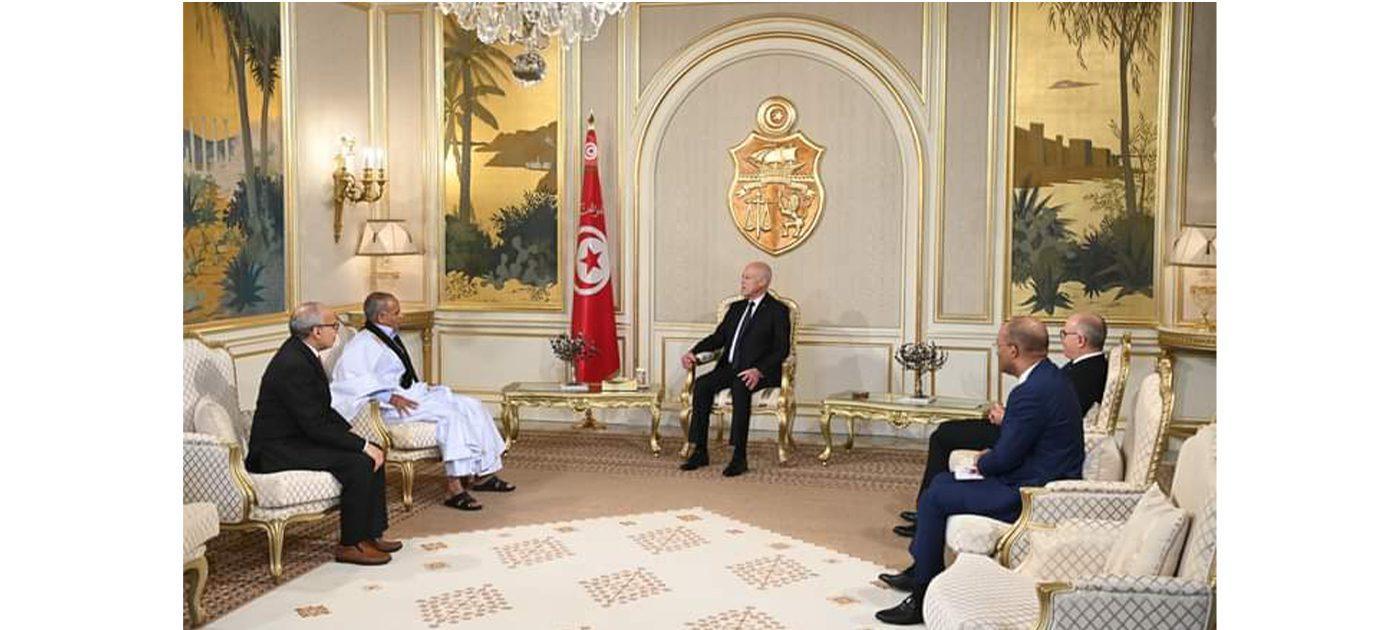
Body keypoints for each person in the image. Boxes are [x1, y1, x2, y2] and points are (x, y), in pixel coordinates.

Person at [874, 316, 1084, 625]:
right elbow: (1020, 443)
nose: (997, 352)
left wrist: (982, 461)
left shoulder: (1031, 391)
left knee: (935, 497)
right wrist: (993, 456)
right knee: (942, 482)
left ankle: (921, 596)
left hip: (1029, 493)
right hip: (1033, 477)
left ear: (1013, 350)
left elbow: (1005, 459)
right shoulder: (1050, 377)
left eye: (999, 346)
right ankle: (920, 570)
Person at [891, 312, 1108, 537]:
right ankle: (927, 512)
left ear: (1080, 340)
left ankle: (927, 512)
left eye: (1064, 334)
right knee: (945, 447)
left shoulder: (1083, 372)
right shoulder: (1069, 369)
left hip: (1028, 458)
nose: (1061, 339)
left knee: (944, 437)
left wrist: (1001, 429)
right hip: (1024, 434)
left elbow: (1042, 421)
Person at [246, 302, 398, 566]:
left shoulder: (303, 354)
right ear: (316, 331)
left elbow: (321, 410)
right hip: (277, 451)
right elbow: (314, 424)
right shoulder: (293, 363)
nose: (336, 331)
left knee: (374, 450)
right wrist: (360, 445)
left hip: (299, 439)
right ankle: (351, 544)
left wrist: (355, 437)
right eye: (333, 326)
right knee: (359, 461)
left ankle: (370, 534)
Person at [330, 292, 513, 512]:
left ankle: (483, 473)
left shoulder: (387, 336)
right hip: (389, 407)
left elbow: (397, 374)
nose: (402, 316)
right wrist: (388, 397)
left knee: (472, 405)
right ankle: (454, 487)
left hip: (407, 394)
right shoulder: (362, 344)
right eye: (396, 312)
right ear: (381, 316)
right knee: (451, 416)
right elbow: (348, 383)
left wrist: (420, 388)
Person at [679, 261, 791, 477]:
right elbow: (718, 338)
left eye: (747, 278)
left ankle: (739, 457)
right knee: (702, 385)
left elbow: (781, 349)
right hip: (730, 368)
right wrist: (694, 351)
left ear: (762, 282)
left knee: (741, 386)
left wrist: (758, 370)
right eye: (743, 277)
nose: (742, 281)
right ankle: (700, 451)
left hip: (760, 372)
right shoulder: (736, 308)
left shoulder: (778, 311)